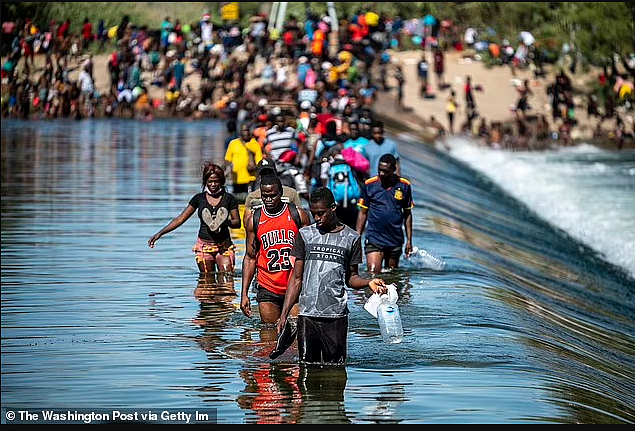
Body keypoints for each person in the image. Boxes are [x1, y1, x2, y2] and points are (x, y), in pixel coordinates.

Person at [277, 187, 387, 365]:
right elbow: (296, 279)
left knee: (335, 368)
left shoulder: (351, 238)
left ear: (333, 207)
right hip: (308, 315)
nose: (317, 218)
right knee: (307, 368)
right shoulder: (305, 235)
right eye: (314, 214)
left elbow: (351, 278)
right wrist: (284, 314)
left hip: (335, 316)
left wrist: (369, 282)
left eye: (321, 213)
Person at [241, 173, 311, 324]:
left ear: (280, 192)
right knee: (269, 337)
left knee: (295, 334)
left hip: (295, 285)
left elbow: (310, 253)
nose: (268, 199)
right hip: (267, 287)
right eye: (265, 196)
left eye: (272, 195)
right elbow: (250, 257)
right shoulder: (254, 219)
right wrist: (244, 293)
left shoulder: (298, 215)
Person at [148, 162, 242, 273]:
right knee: (207, 284)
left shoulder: (228, 198)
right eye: (210, 182)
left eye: (216, 182)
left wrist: (225, 223)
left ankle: (217, 223)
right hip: (204, 247)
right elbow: (180, 219)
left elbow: (237, 223)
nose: (213, 184)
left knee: (227, 280)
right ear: (205, 182)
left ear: (221, 182)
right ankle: (213, 224)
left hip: (224, 246)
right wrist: (160, 233)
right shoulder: (199, 198)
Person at [356, 154, 414, 273]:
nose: (382, 173)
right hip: (374, 238)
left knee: (392, 276)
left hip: (395, 239)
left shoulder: (404, 185)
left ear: (393, 170)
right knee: (372, 274)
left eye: (385, 171)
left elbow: (407, 213)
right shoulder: (370, 185)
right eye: (379, 170)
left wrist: (409, 240)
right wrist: (357, 237)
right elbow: (363, 212)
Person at [243, 158, 304, 225]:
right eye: (263, 173)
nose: (267, 175)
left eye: (270, 172)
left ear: (275, 172)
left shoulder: (291, 193)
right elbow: (247, 222)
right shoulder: (252, 196)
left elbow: (300, 217)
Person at [224, 123, 262, 198]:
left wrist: (254, 167)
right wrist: (228, 170)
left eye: (247, 130)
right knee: (237, 201)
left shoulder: (255, 144)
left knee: (249, 199)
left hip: (250, 179)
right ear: (240, 132)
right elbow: (228, 159)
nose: (246, 133)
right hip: (236, 179)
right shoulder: (233, 143)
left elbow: (259, 162)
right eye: (244, 130)